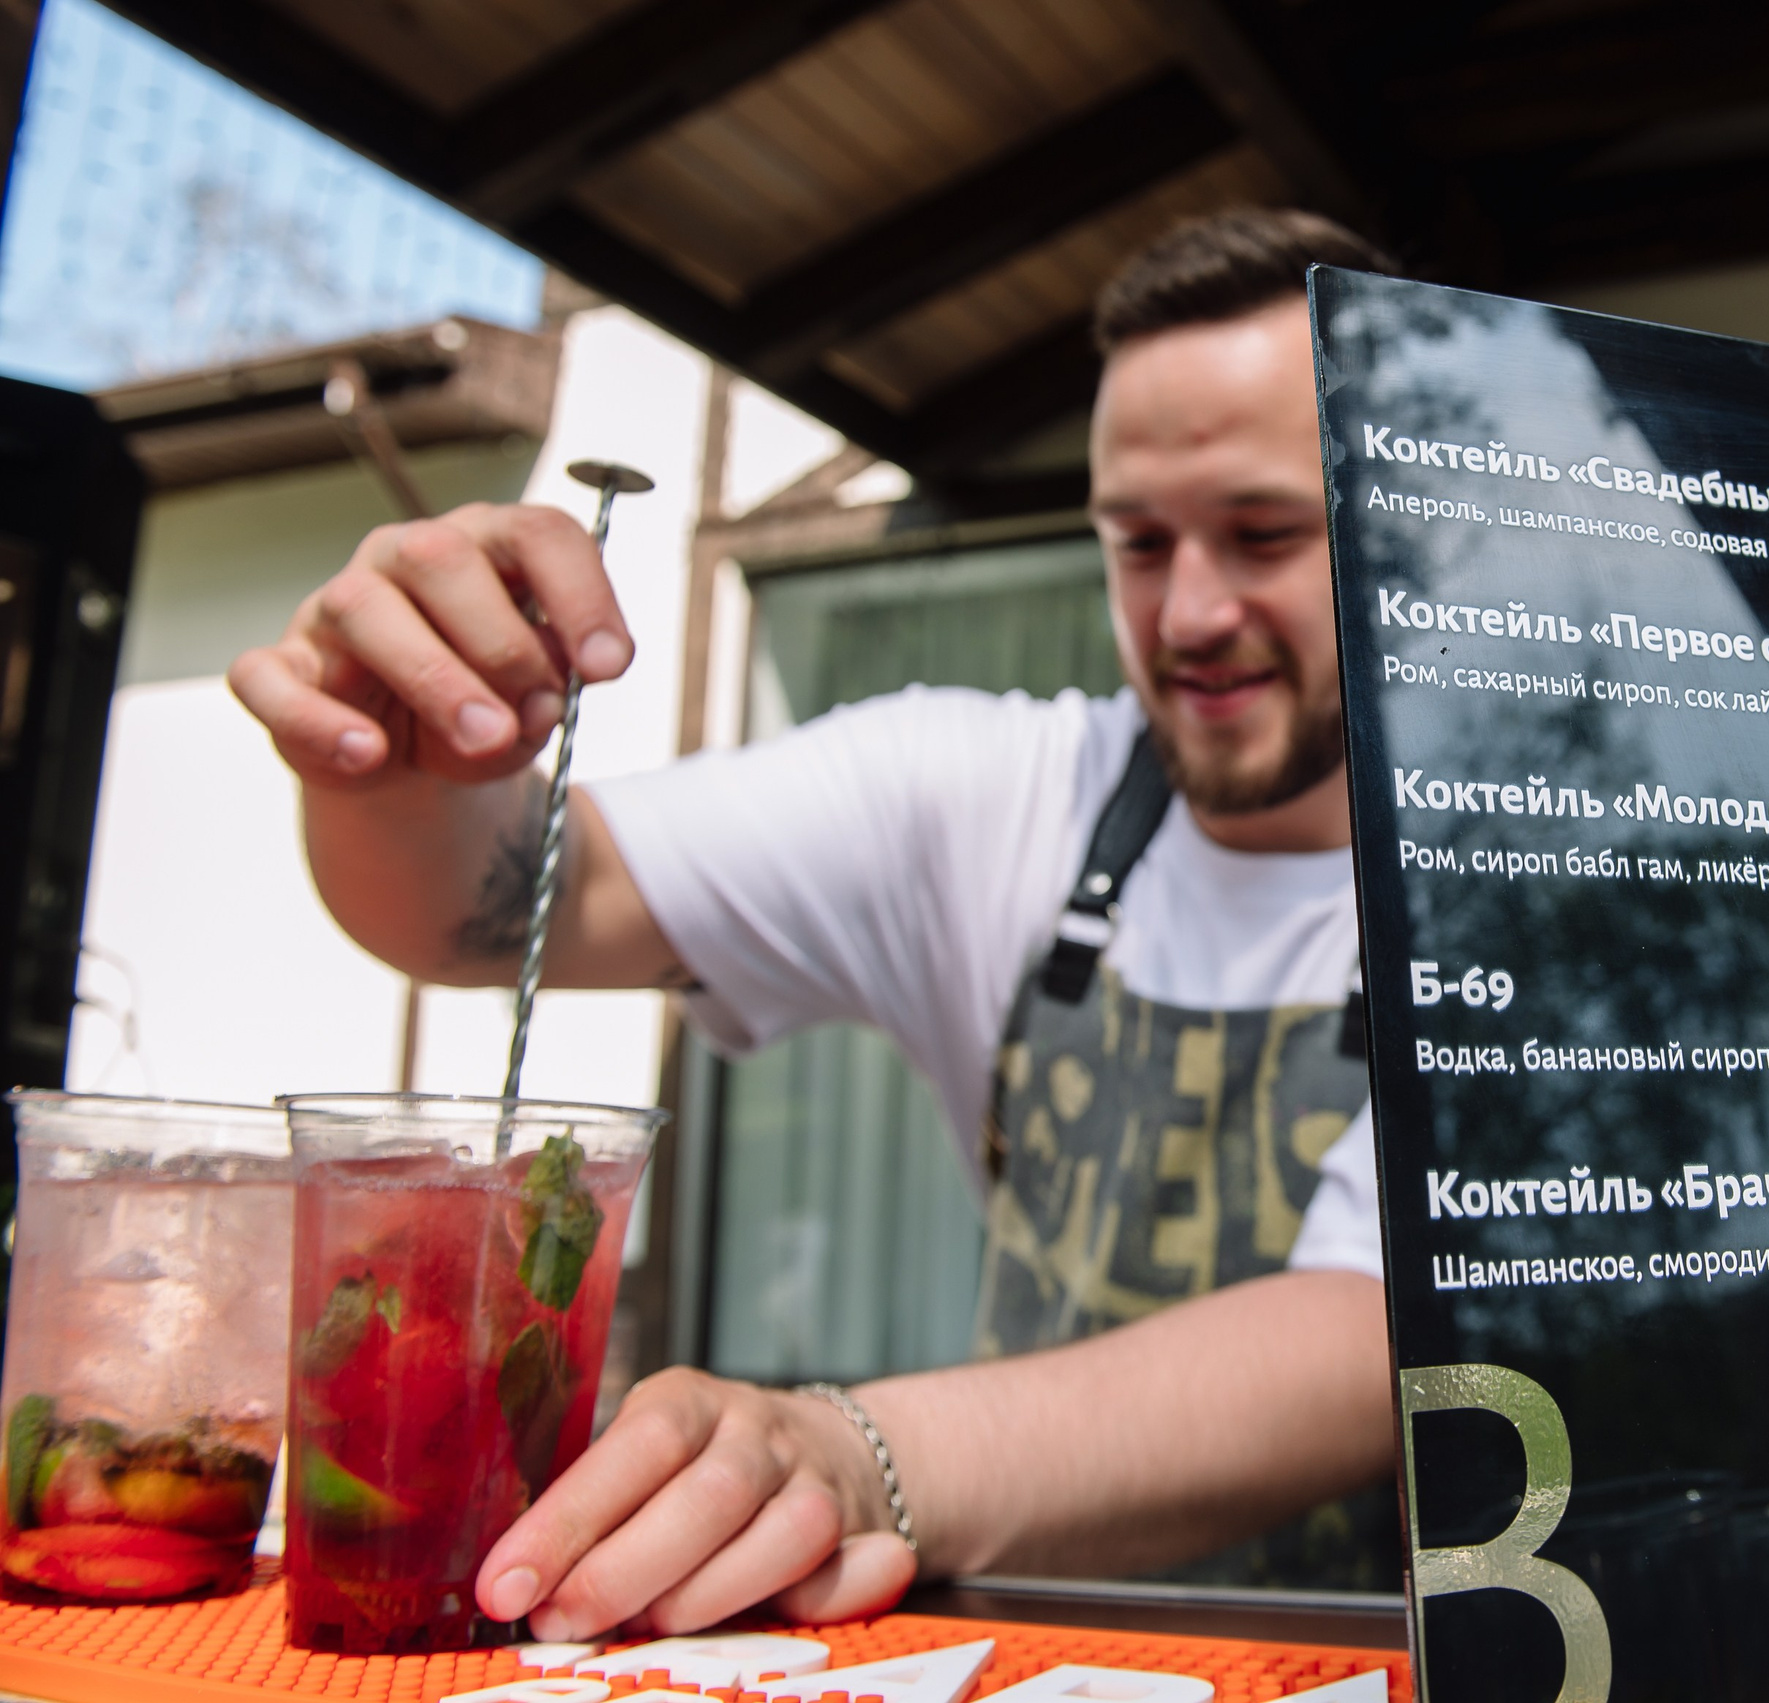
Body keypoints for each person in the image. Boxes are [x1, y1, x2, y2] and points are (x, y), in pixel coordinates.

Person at [229, 210, 1402, 1638]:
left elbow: (1379, 1328)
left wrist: (856, 1455)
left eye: (1265, 532)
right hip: (1035, 1650)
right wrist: (394, 746)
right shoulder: (985, 794)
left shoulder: (1560, 853)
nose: (1190, 612)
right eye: (1139, 542)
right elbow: (497, 910)